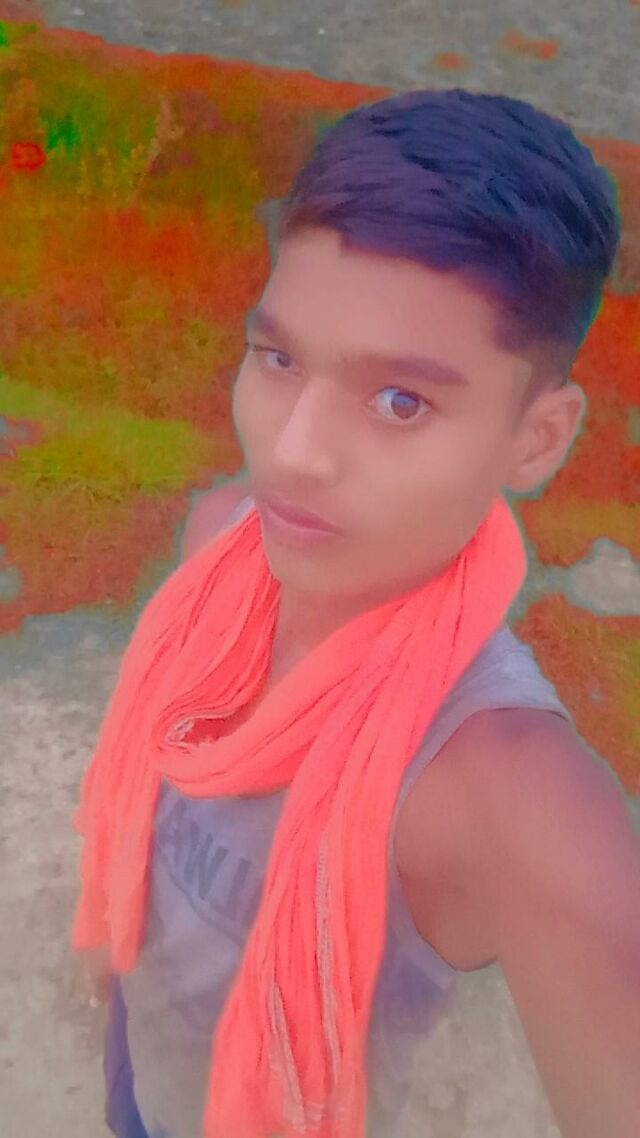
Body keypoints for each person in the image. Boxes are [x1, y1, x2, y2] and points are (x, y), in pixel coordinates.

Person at [74, 88, 640, 1138]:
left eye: (399, 402)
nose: (292, 453)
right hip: (143, 1081)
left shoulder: (514, 802)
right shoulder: (223, 544)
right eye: (279, 358)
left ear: (537, 438)